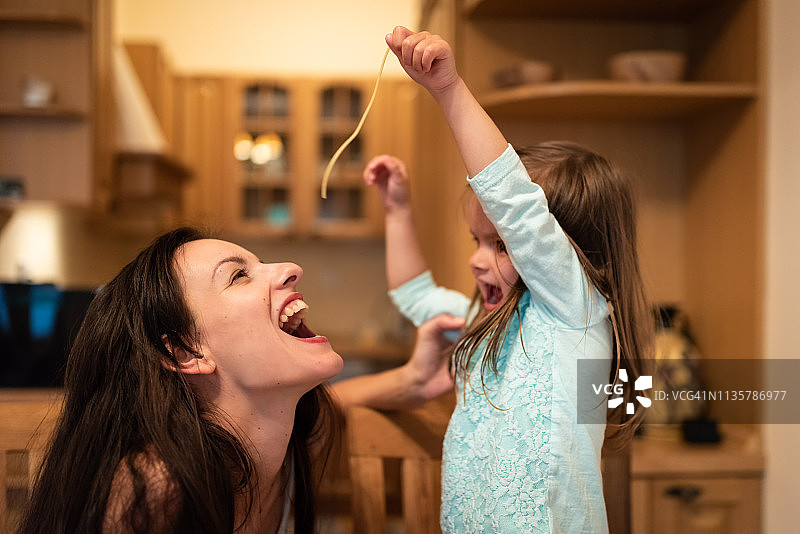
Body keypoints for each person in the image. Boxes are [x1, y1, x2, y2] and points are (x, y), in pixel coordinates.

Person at [357, 27, 653, 532]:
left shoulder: (573, 310)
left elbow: (513, 204)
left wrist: (448, 89)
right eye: (476, 241)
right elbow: (415, 295)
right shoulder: (490, 320)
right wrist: (397, 212)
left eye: (501, 245)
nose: (477, 261)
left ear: (562, 254)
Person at [17, 227, 455, 534]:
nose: (290, 268)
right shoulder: (154, 489)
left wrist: (410, 380)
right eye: (239, 275)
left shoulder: (284, 447)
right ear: (186, 352)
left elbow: (333, 403)